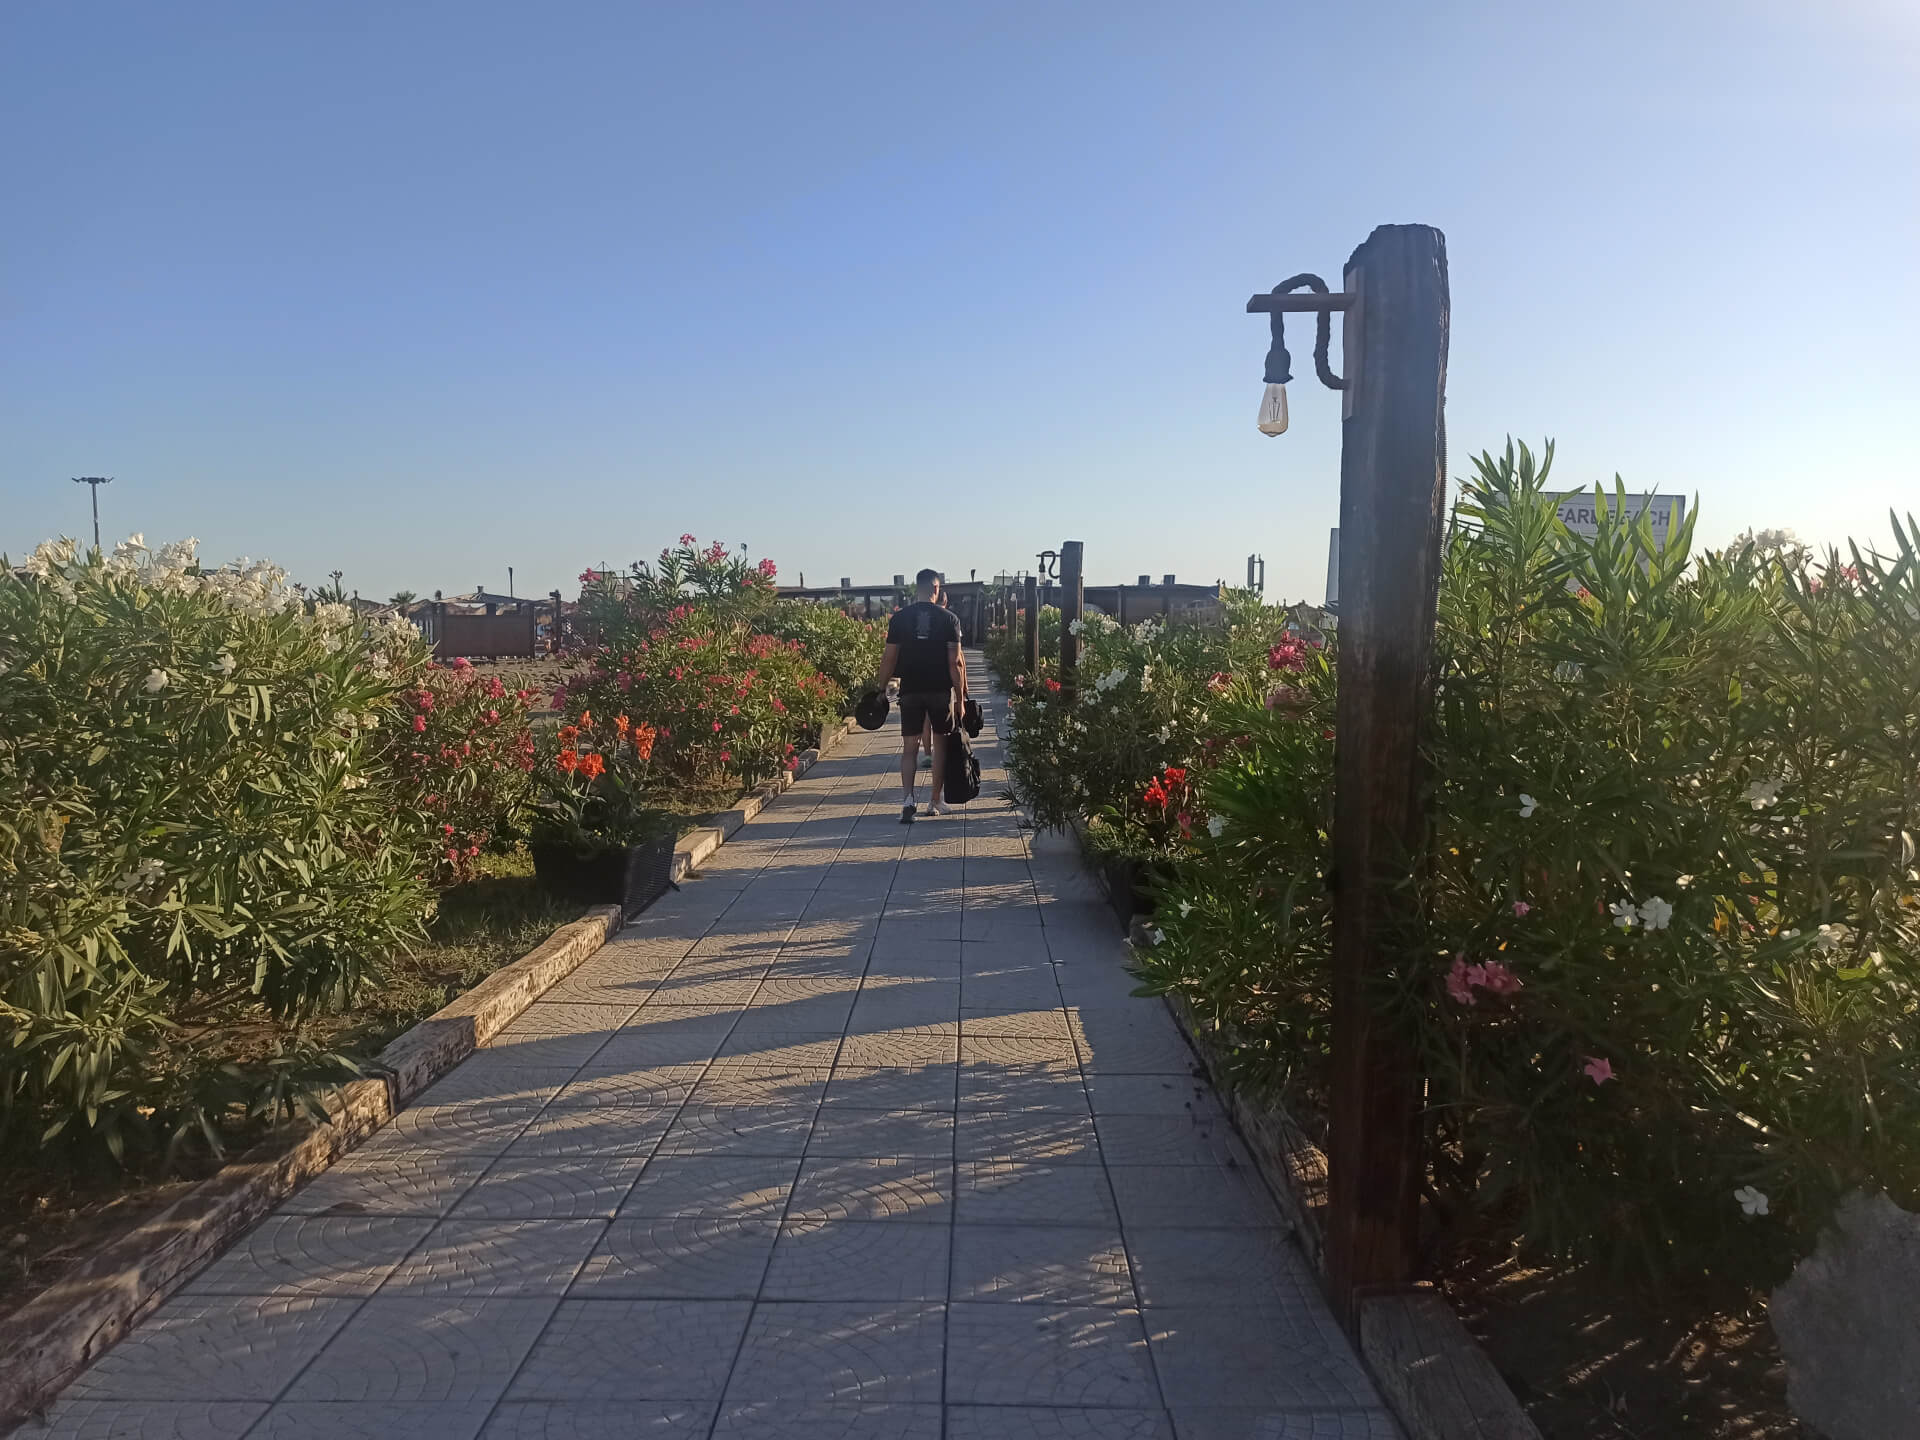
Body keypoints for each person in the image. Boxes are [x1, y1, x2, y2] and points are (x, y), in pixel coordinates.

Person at [874, 568, 966, 822]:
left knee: (909, 748)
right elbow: (955, 662)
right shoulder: (949, 619)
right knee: (940, 745)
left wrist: (881, 689)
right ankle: (935, 800)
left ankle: (907, 799)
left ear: (917, 587)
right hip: (939, 691)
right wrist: (960, 699)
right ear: (936, 588)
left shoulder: (899, 619)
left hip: (910, 690)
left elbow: (889, 657)